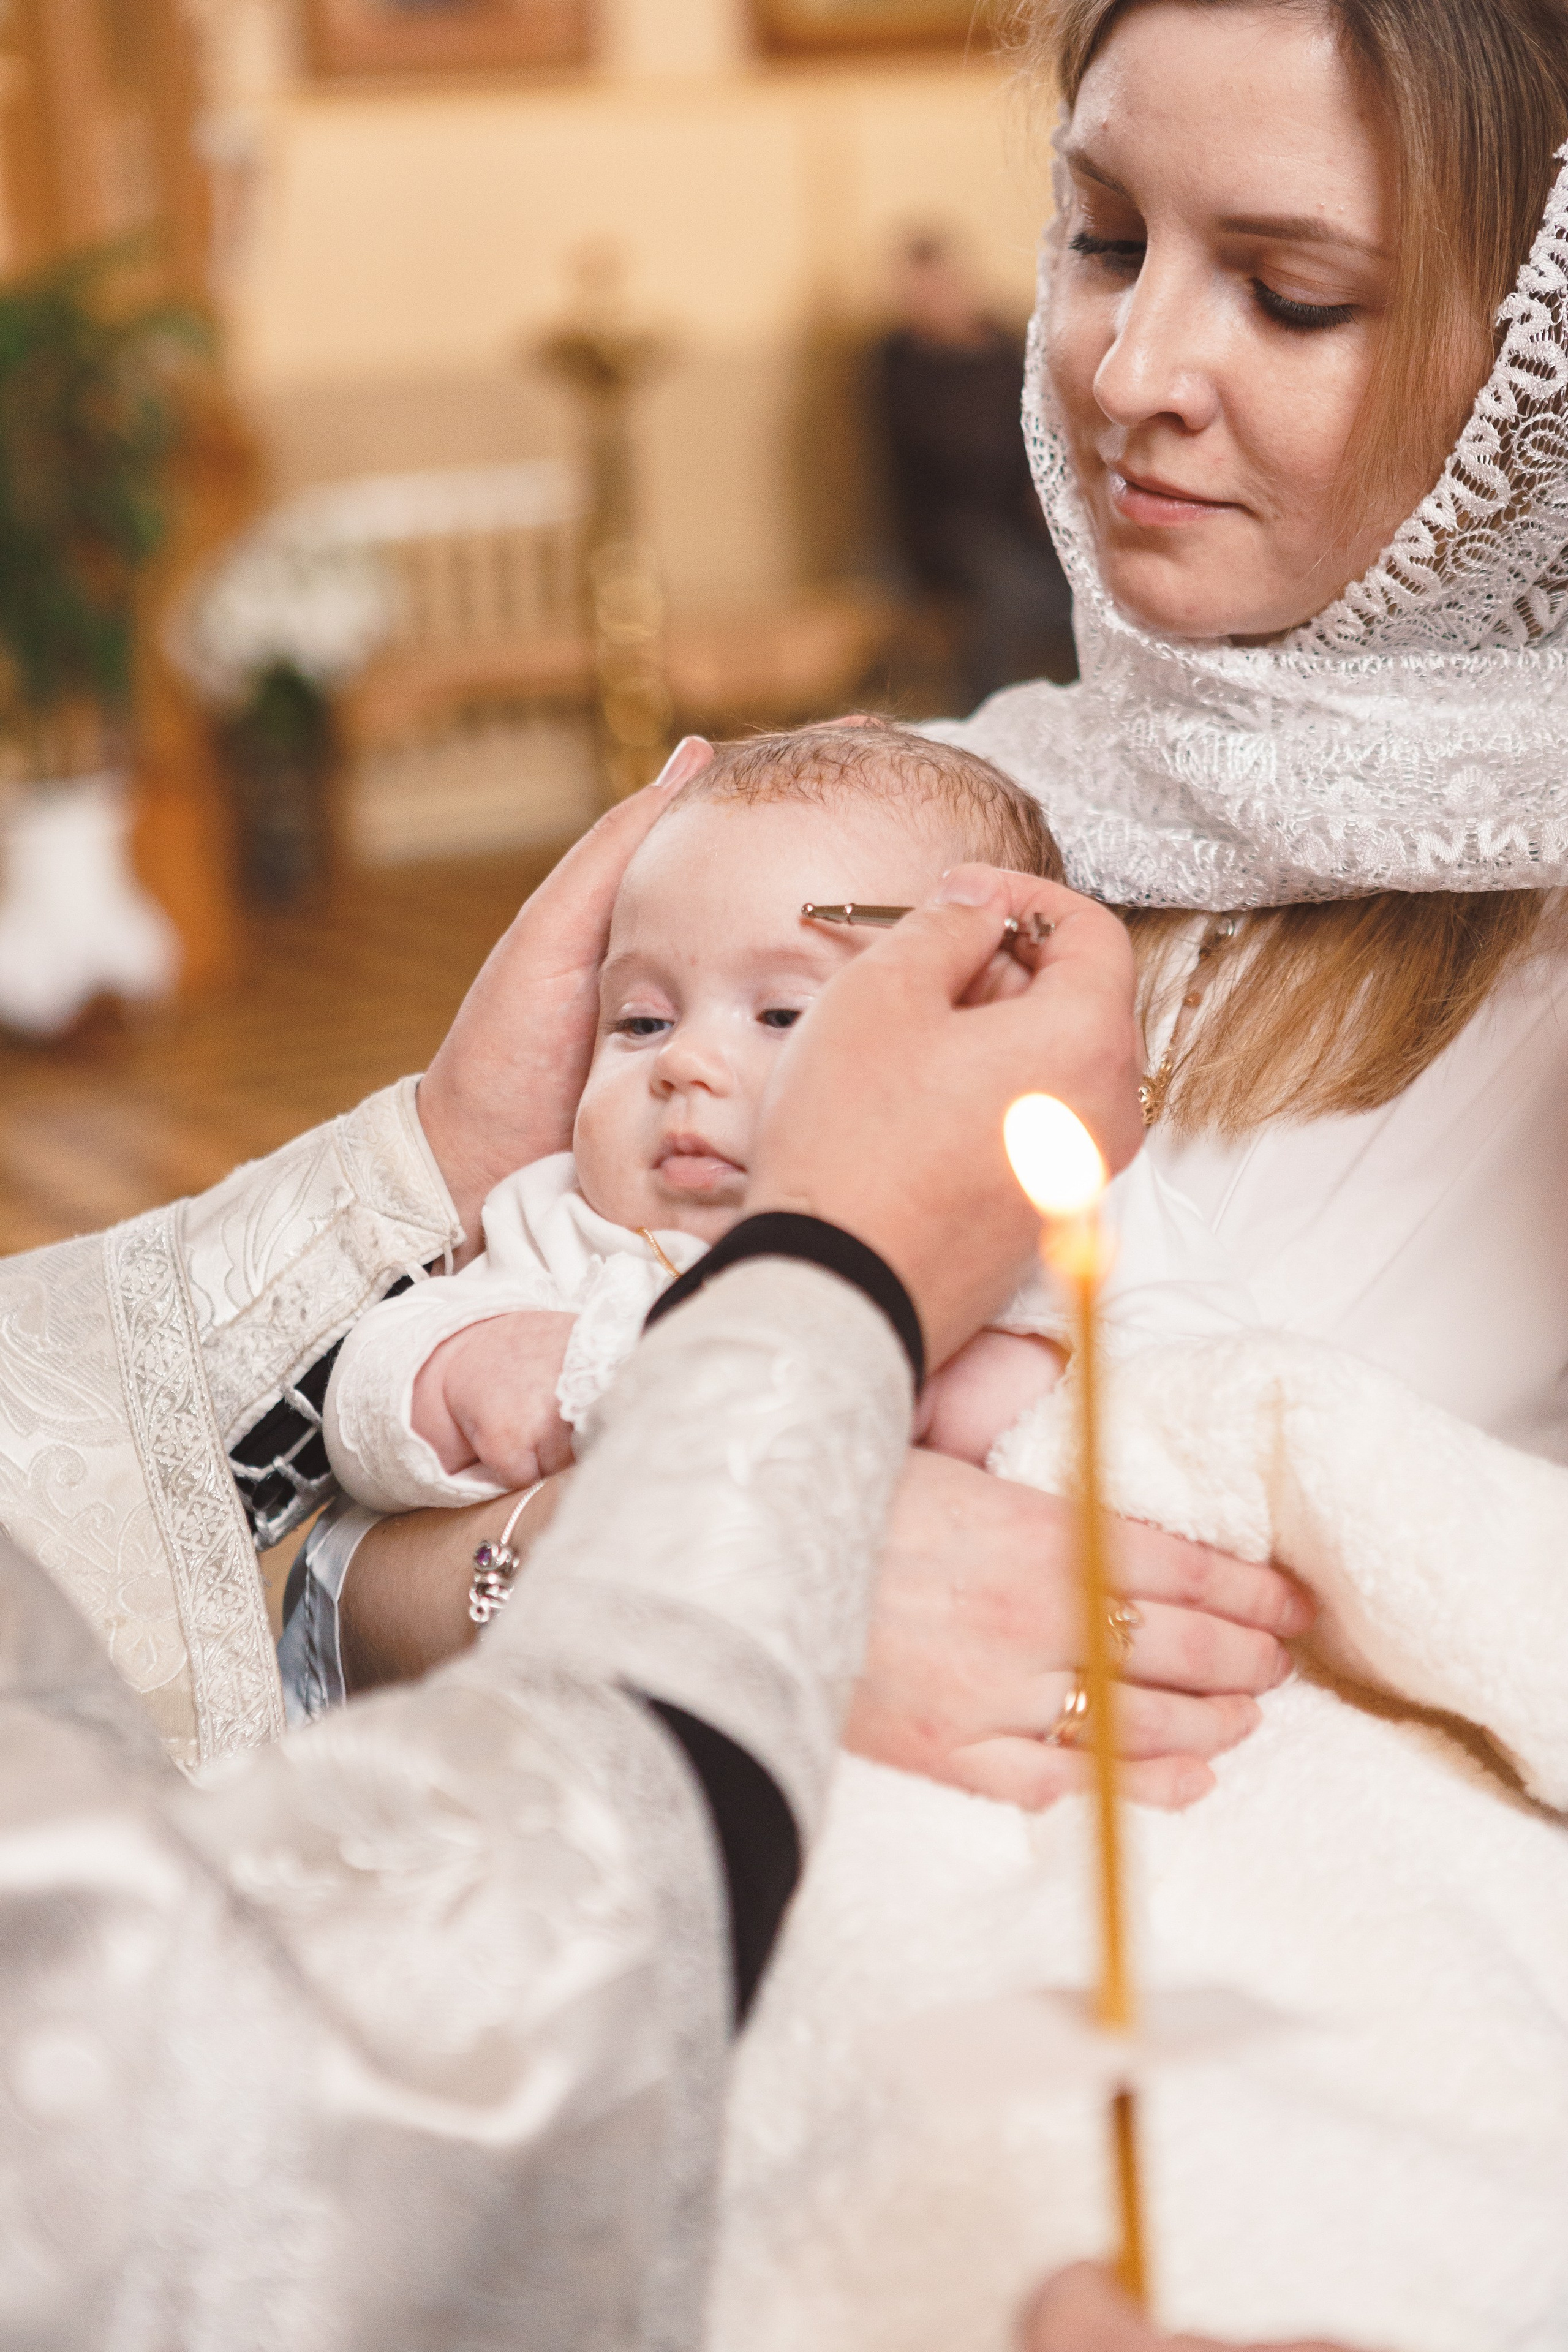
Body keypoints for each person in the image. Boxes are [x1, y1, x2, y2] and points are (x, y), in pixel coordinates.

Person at [697, 3, 1568, 2348]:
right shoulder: (898, 817)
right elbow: (351, 1438)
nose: (1131, 370)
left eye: (1290, 293)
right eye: (1099, 239)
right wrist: (679, 1540)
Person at [315, 724, 1070, 1524]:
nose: (684, 1062)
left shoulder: (1007, 1249)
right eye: (642, 1023)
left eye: (783, 1015)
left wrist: (1001, 1384)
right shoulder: (562, 1228)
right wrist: (459, 1371)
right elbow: (362, 1395)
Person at [872, 232, 1077, 703]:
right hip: (946, 525)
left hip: (1024, 513)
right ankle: (986, 707)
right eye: (921, 292)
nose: (934, 300)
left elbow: (1046, 424)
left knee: (1086, 576)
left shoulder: (1003, 346)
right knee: (1009, 590)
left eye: (943, 285)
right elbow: (948, 451)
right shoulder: (898, 361)